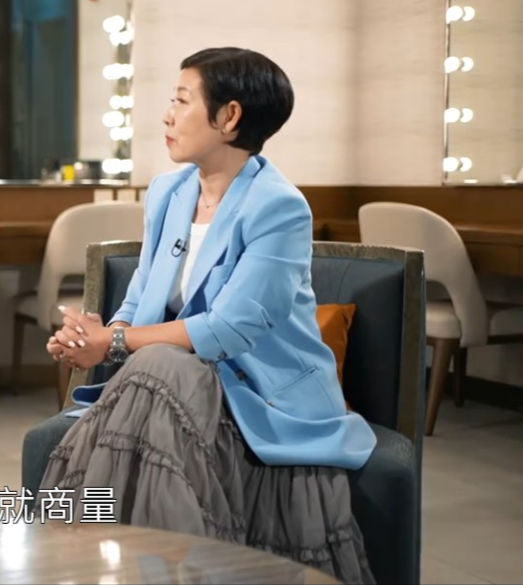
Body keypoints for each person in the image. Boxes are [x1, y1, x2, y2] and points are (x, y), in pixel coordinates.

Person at [41, 47, 376, 584]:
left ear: (229, 117)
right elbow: (140, 299)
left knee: (161, 365)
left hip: (256, 394)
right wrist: (98, 336)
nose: (167, 116)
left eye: (181, 101)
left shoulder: (278, 206)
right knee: (162, 367)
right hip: (173, 385)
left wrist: (116, 345)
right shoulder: (168, 192)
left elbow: (230, 328)